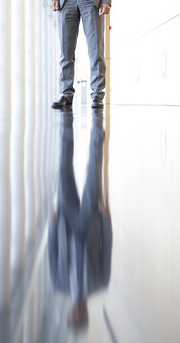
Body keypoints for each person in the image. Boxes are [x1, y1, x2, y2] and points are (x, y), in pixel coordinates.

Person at [48, 110, 112, 330]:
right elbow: (107, 249)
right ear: (87, 316)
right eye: (82, 318)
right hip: (90, 222)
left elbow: (53, 250)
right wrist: (106, 220)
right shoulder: (101, 283)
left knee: (63, 167)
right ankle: (97, 124)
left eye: (75, 317)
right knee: (94, 170)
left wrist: (53, 223)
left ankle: (66, 124)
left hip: (66, 222)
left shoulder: (59, 283)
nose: (79, 314)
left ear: (69, 314)